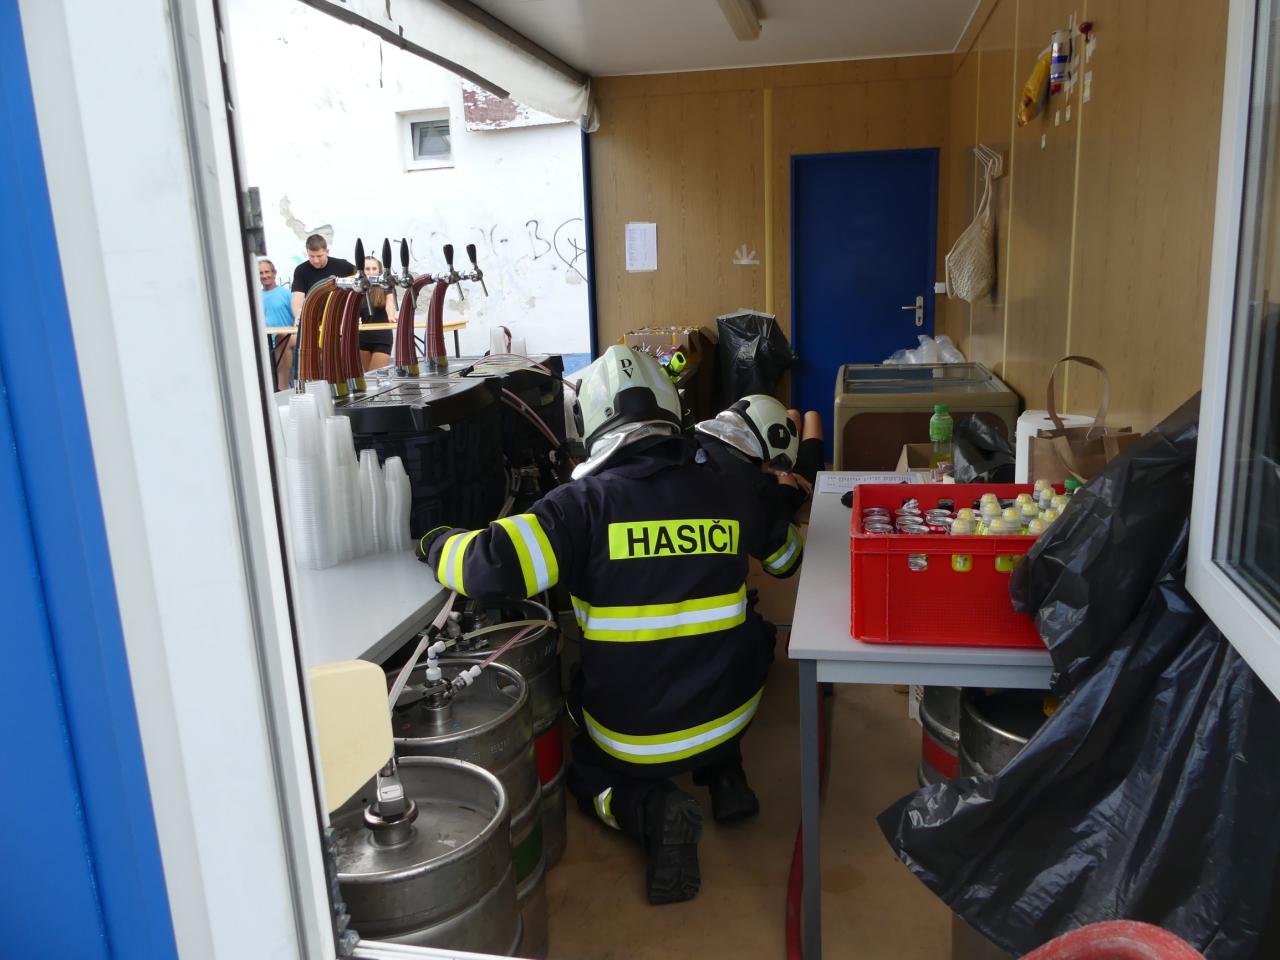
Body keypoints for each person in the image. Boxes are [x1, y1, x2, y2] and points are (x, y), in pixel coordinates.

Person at [417, 345, 803, 904]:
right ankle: (727, 777)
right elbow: (787, 560)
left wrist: (435, 542)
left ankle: (650, 809)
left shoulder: (578, 507)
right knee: (742, 635)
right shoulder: (730, 486)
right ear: (673, 410)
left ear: (589, 425)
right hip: (734, 712)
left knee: (586, 771)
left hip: (633, 739)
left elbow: (488, 566)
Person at [258, 258, 295, 391]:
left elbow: (298, 319)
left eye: (267, 272)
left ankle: (283, 389)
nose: (264, 276)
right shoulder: (255, 297)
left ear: (274, 273)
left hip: (285, 345)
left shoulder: (287, 294)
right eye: (261, 273)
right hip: (265, 348)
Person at [359, 255, 396, 372]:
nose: (371, 272)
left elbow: (390, 303)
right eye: (367, 269)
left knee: (377, 376)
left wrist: (391, 316)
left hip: (382, 338)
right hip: (363, 338)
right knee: (368, 376)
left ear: (379, 271)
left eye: (374, 269)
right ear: (361, 271)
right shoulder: (358, 288)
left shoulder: (385, 286)